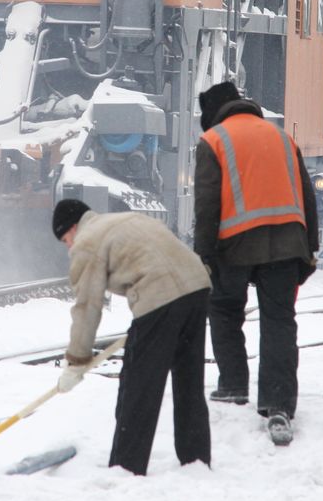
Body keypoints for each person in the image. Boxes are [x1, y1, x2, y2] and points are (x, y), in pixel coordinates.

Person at [193, 81, 320, 447]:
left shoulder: (214, 140)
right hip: (287, 242)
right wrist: (310, 247)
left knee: (224, 308)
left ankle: (233, 384)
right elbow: (307, 196)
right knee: (280, 320)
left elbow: (207, 206)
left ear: (213, 114)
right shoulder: (281, 137)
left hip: (235, 244)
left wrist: (204, 257)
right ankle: (278, 401)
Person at [52, 199, 211, 476]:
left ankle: (126, 468)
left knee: (139, 388)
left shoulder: (87, 242)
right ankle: (195, 459)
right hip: (197, 288)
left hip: (159, 298)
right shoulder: (124, 220)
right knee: (189, 383)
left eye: (66, 239)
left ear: (74, 227)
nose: (69, 246)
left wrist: (77, 360)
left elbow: (87, 305)